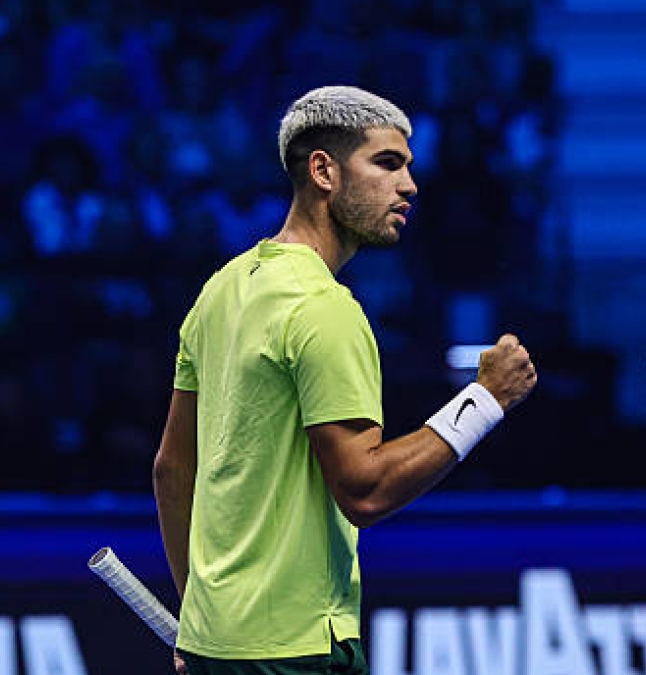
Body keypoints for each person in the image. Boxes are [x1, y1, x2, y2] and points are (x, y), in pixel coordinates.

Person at [152, 86, 537, 675]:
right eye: (387, 163)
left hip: (215, 646)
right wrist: (485, 399)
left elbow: (172, 470)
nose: (408, 185)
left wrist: (200, 622)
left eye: (408, 166)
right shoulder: (325, 309)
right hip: (298, 654)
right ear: (323, 170)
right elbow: (365, 490)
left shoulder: (221, 290)